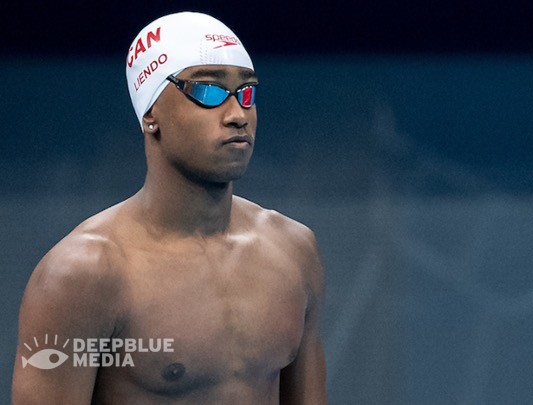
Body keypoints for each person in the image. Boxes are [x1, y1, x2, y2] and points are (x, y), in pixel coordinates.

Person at [12, 11, 326, 404]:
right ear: (150, 114)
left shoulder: (294, 251)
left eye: (247, 93)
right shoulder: (81, 275)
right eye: (208, 92)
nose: (237, 116)